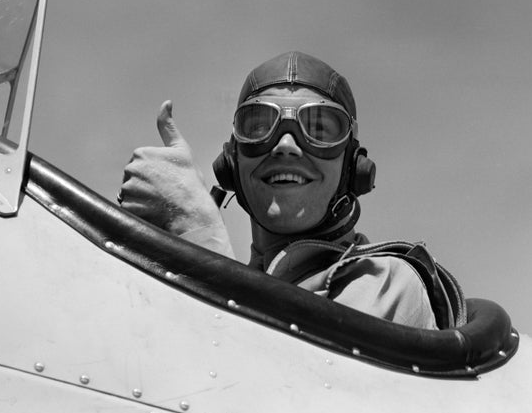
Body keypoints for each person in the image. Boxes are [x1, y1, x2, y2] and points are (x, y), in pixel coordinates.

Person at [119, 51, 464, 330]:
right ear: (231, 162)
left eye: (319, 128)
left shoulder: (389, 284)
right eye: (259, 125)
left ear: (352, 167)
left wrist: (198, 235)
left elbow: (281, 394)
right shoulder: (200, 279)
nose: (285, 145)